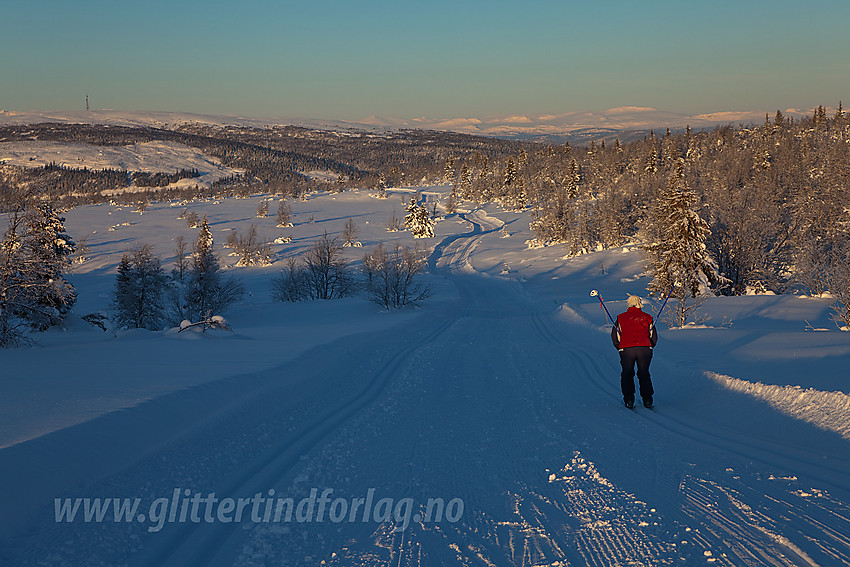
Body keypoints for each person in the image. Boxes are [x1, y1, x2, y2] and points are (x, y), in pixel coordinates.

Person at [611, 295, 658, 409]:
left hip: (627, 350)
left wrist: (620, 347)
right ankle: (647, 399)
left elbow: (615, 336)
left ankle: (629, 399)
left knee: (627, 373)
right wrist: (650, 345)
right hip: (645, 349)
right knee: (644, 373)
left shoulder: (621, 318)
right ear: (639, 303)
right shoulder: (648, 317)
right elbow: (653, 336)